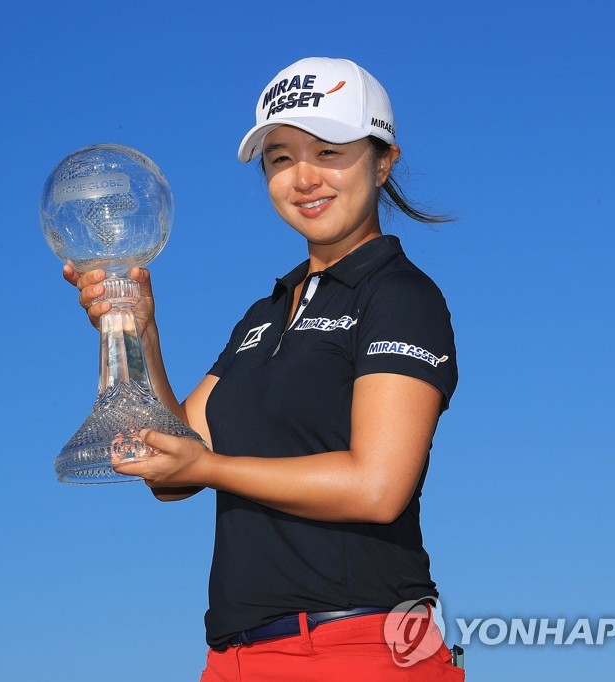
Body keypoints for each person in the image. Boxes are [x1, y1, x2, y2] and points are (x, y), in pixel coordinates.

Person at [64, 57, 464, 681]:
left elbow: (377, 487)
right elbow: (173, 472)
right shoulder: (266, 312)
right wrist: (140, 329)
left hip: (359, 645)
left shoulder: (399, 295)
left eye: (328, 152)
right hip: (234, 659)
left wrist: (209, 468)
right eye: (280, 158)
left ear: (383, 161)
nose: (303, 177)